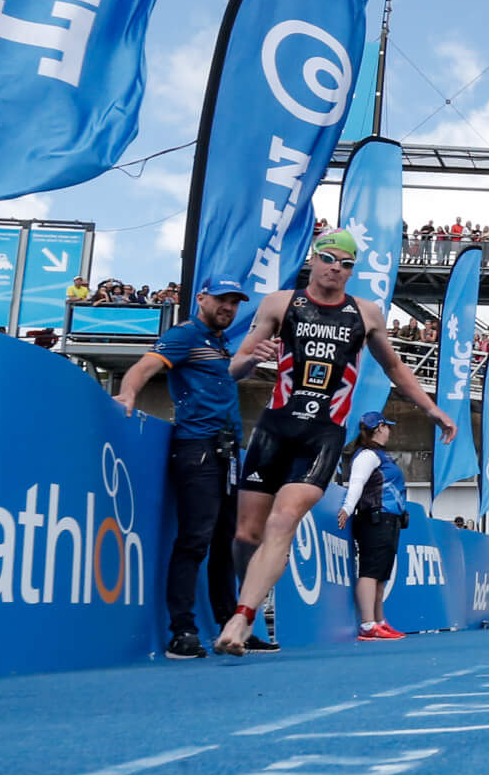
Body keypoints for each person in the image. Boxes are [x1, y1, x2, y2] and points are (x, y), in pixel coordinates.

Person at [220, 230, 454, 655]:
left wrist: (431, 409)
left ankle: (243, 615)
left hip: (323, 436)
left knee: (281, 522)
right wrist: (252, 359)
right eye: (329, 259)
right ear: (313, 260)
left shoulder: (366, 314)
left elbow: (396, 369)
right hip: (274, 430)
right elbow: (234, 367)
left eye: (346, 264)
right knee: (246, 534)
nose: (336, 269)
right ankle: (248, 600)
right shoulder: (279, 303)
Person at [113, 274, 248, 660]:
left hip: (228, 453)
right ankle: (182, 631)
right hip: (197, 449)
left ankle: (230, 628)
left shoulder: (221, 342)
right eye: (222, 299)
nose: (228, 307)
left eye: (235, 302)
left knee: (225, 544)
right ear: (202, 298)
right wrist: (128, 391)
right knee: (194, 541)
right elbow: (145, 365)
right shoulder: (184, 335)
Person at [335, 411, 409, 640]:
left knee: (381, 574)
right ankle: (367, 623)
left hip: (389, 520)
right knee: (370, 571)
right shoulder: (367, 455)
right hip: (374, 519)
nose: (389, 430)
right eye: (387, 426)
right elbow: (356, 484)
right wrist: (347, 509)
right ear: (378, 428)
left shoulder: (380, 455)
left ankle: (379, 620)